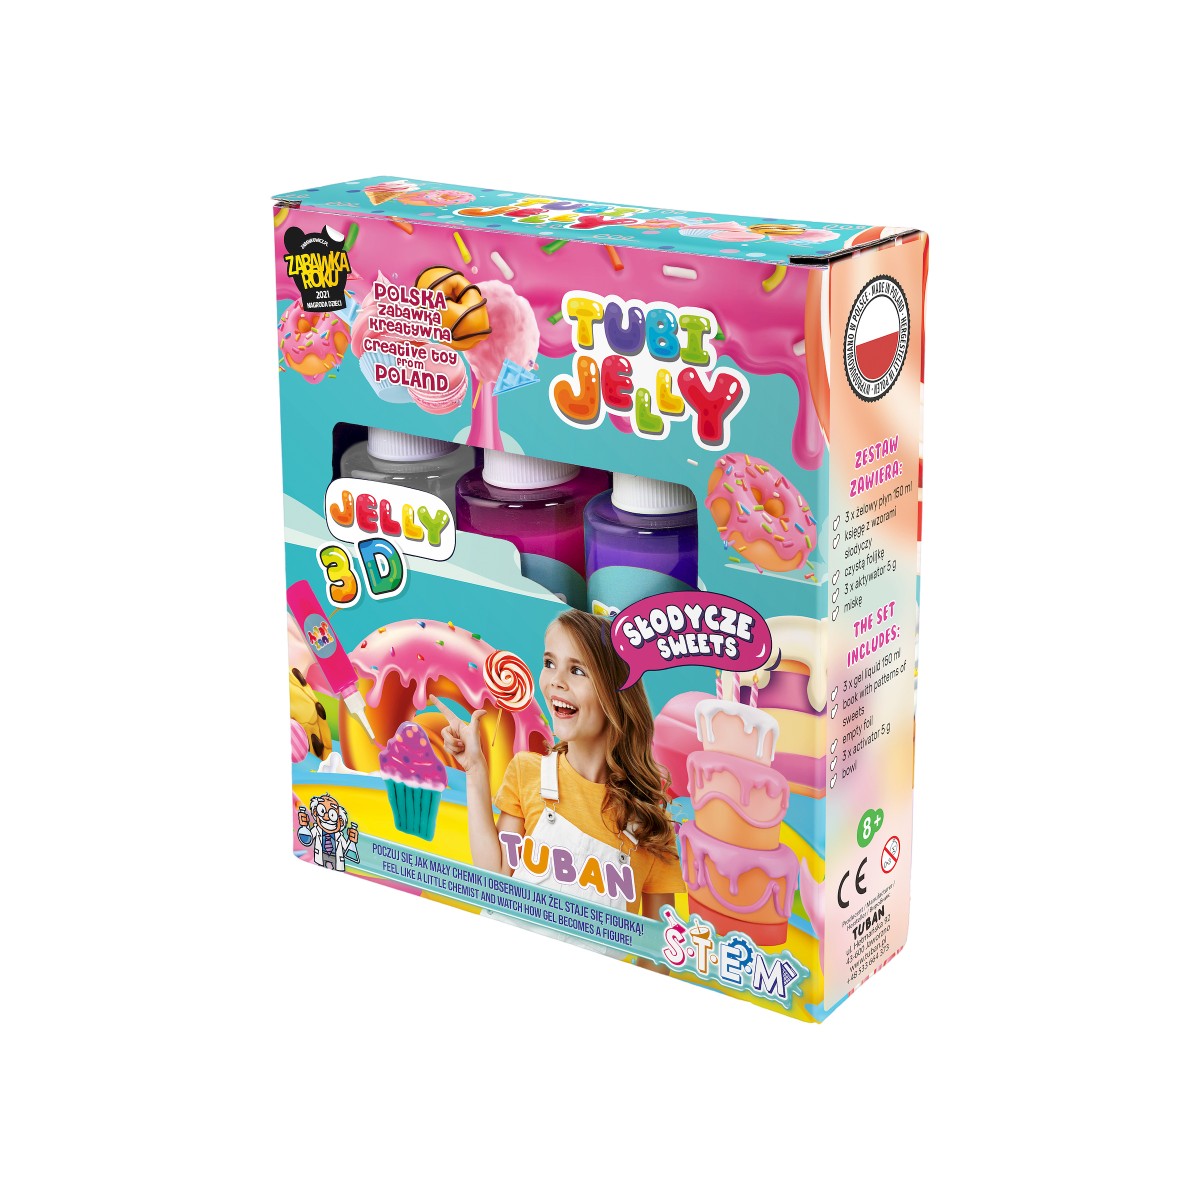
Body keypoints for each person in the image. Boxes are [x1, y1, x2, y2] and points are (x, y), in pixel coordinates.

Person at [436, 610, 683, 935]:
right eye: (550, 663)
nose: (555, 680)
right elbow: (494, 880)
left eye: (577, 670)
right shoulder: (528, 773)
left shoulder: (651, 825)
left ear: (616, 693)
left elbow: (658, 946)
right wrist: (474, 770)